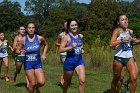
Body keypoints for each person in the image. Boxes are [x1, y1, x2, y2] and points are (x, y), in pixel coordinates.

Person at [109, 14, 139, 93]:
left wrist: (137, 41)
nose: (125, 21)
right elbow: (111, 45)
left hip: (129, 57)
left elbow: (130, 43)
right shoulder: (117, 31)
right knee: (117, 78)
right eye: (122, 20)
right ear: (118, 22)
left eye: (126, 19)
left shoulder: (130, 31)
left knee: (134, 78)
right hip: (119, 58)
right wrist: (122, 39)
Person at [16, 22, 48, 93]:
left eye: (33, 28)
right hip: (28, 64)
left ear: (34, 29)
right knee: (32, 84)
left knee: (42, 82)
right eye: (29, 28)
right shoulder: (23, 40)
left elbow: (46, 45)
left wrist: (44, 54)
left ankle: (36, 88)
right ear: (27, 29)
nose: (31, 29)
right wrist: (21, 51)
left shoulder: (39, 38)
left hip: (37, 63)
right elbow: (17, 50)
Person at [60, 18, 85, 93]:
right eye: (72, 25)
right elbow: (61, 49)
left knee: (82, 81)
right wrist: (71, 47)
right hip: (69, 63)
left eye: (75, 25)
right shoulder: (66, 37)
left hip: (79, 61)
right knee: (67, 83)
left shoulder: (80, 36)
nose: (74, 27)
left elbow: (81, 46)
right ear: (69, 27)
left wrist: (82, 49)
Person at [55, 21, 67, 86]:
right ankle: (63, 79)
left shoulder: (73, 35)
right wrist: (62, 45)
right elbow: (56, 43)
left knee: (70, 68)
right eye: (66, 25)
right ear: (64, 26)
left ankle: (64, 77)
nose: (67, 26)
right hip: (63, 52)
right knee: (66, 65)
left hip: (71, 53)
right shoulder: (61, 35)